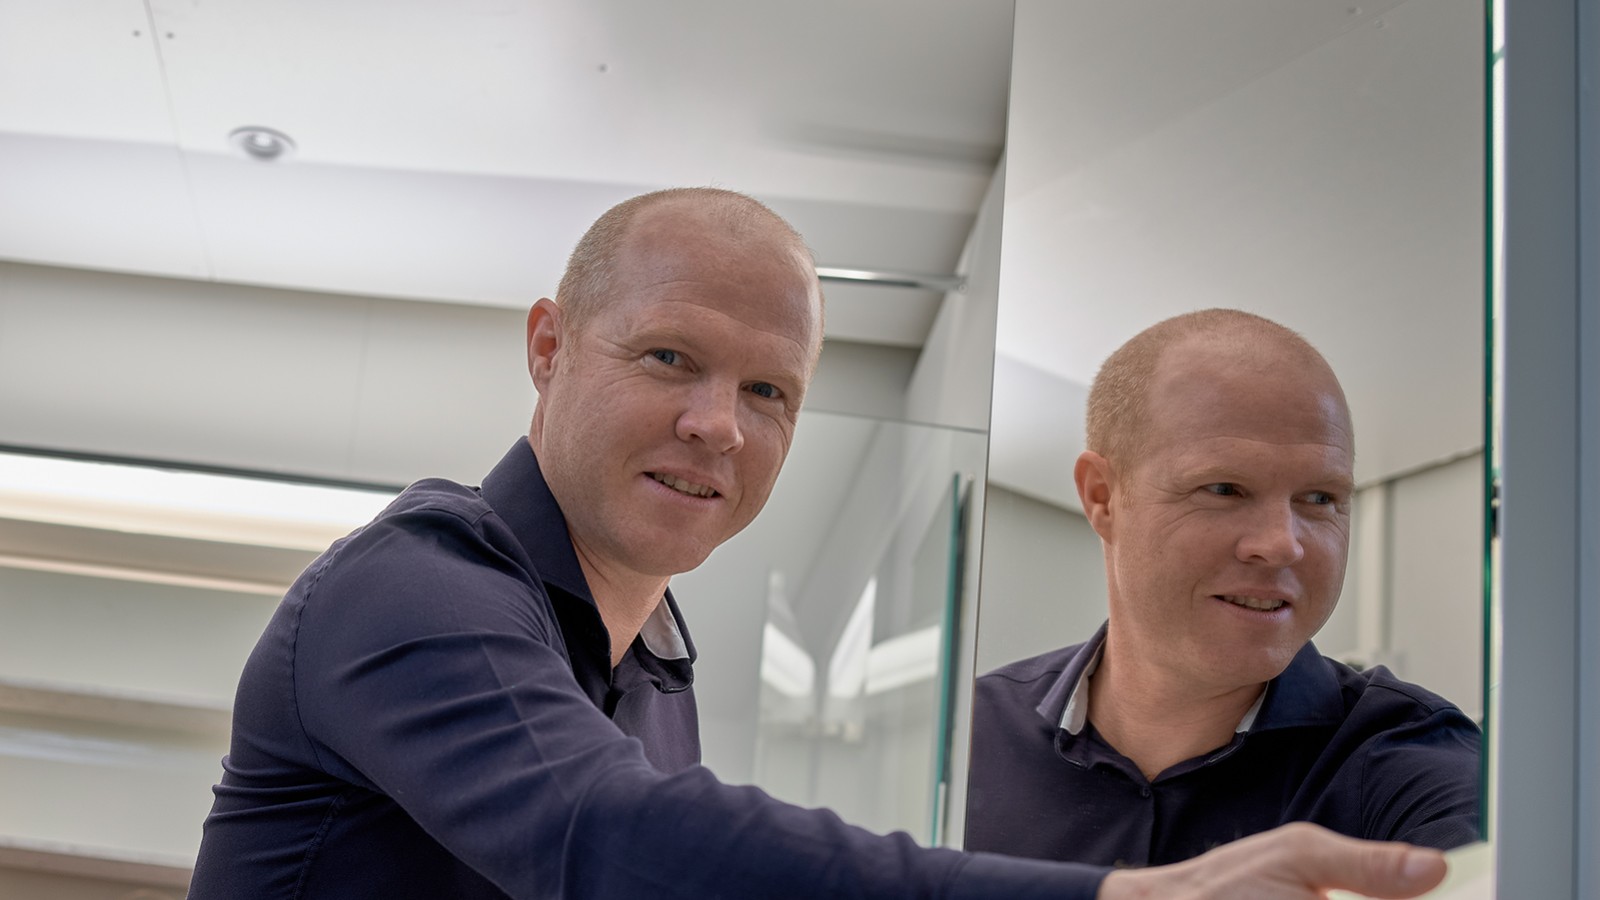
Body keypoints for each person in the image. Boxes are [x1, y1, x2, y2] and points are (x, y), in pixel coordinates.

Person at [188, 193, 1450, 899]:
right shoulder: (413, 589)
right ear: (549, 345)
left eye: (769, 393)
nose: (714, 426)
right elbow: (611, 841)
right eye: (670, 358)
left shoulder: (656, 666)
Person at [964, 309, 1481, 868]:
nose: (1283, 545)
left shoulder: (1413, 762)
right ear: (1102, 497)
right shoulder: (971, 738)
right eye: (1225, 488)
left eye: (1320, 498)